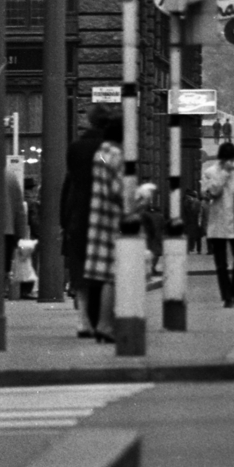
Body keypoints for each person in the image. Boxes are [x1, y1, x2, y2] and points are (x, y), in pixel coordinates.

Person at [61, 106, 111, 334]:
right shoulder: (107, 149)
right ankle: (100, 320)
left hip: (77, 212)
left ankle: (83, 321)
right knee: (102, 268)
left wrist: (65, 218)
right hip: (102, 212)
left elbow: (70, 182)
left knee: (79, 269)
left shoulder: (76, 147)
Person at [82, 113, 125, 340]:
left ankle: (101, 323)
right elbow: (119, 190)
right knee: (112, 274)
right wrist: (141, 194)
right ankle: (106, 325)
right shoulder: (115, 154)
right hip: (113, 219)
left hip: (97, 217)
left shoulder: (100, 153)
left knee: (102, 274)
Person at [202, 141, 234, 308]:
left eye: (231, 159)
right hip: (219, 224)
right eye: (225, 159)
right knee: (221, 264)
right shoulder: (210, 172)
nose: (229, 163)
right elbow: (212, 193)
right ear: (221, 159)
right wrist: (223, 175)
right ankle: (227, 297)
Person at [3, 160, 27, 299]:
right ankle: (2, 288)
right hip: (7, 229)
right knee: (4, 264)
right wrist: (21, 232)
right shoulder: (11, 176)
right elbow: (19, 208)